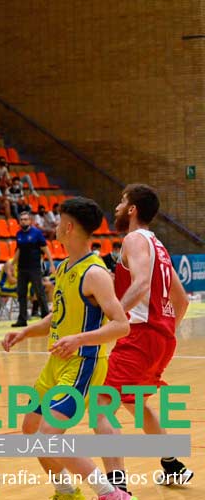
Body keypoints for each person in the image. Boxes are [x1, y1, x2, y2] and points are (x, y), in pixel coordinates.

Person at [2, 197, 133, 500]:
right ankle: (66, 491)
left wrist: (78, 339)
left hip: (82, 363)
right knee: (31, 428)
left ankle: (111, 494)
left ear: (69, 227)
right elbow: (57, 316)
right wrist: (26, 332)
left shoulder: (95, 274)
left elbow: (121, 324)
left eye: (59, 222)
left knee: (48, 437)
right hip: (56, 364)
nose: (55, 228)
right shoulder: (63, 268)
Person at [95, 184, 192, 494]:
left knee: (101, 404)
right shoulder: (158, 246)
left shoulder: (134, 239)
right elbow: (183, 301)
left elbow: (138, 285)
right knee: (135, 403)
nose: (118, 207)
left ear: (133, 209)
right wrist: (164, 332)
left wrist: (115, 321)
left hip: (141, 336)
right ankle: (172, 465)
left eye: (123, 202)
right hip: (161, 338)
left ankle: (117, 487)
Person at [12, 210, 54, 327]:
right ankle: (22, 319)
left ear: (30, 221)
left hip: (34, 267)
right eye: (21, 220)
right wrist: (12, 263)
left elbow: (45, 249)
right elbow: (18, 250)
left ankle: (46, 317)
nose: (23, 221)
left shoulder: (36, 233)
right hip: (22, 268)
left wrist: (51, 264)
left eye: (25, 219)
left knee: (39, 292)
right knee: (21, 293)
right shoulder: (19, 234)